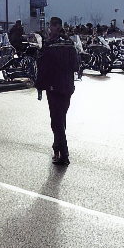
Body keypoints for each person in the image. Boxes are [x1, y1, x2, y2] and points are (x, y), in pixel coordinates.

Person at [35, 17, 78, 166]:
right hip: (67, 87)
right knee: (61, 118)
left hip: (54, 87)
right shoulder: (69, 43)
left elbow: (44, 68)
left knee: (56, 120)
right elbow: (75, 65)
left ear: (56, 26)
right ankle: (57, 147)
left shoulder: (50, 45)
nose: (50, 29)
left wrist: (40, 85)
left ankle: (63, 153)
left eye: (51, 26)